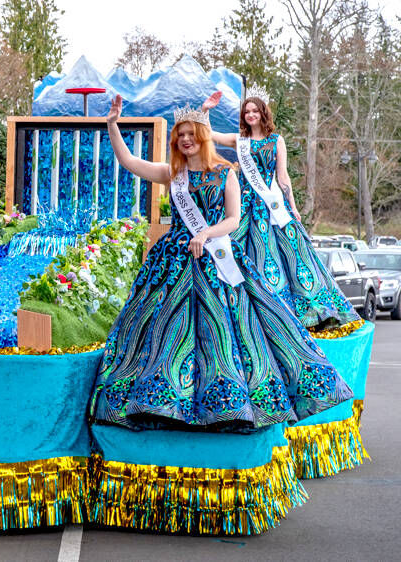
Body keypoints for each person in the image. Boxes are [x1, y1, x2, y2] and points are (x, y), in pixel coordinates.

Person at [89, 95, 352, 433]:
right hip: (174, 262)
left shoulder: (226, 173)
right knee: (164, 332)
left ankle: (227, 407)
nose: (184, 140)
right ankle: (162, 405)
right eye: (179, 135)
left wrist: (206, 234)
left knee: (233, 333)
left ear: (201, 134)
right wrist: (112, 124)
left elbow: (233, 220)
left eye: (189, 134)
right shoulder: (173, 173)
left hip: (217, 260)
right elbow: (128, 161)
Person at [202, 88, 361, 330]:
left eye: (255, 111)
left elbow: (283, 176)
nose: (251, 115)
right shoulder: (239, 141)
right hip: (244, 208)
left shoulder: (276, 141)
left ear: (263, 113)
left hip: (272, 206)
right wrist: (205, 111)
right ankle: (239, 312)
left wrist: (293, 207)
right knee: (234, 252)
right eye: (247, 112)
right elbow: (208, 134)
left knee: (291, 256)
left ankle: (301, 314)